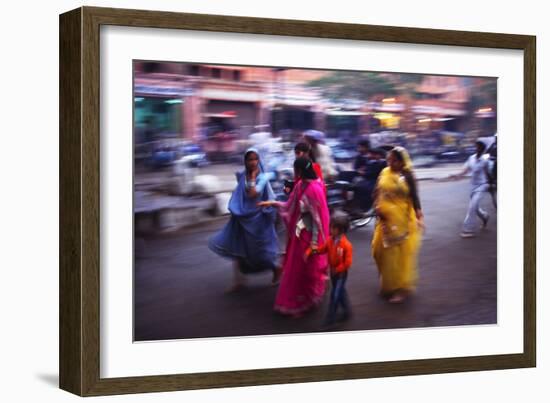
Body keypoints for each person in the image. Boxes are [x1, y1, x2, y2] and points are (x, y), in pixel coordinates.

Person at [258, 157, 330, 317]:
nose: (294, 172)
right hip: (300, 234)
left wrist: (314, 243)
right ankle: (298, 301)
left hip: (310, 236)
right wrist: (273, 203)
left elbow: (318, 220)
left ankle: (305, 302)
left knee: (305, 269)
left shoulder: (313, 189)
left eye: (295, 169)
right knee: (295, 269)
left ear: (300, 170)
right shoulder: (300, 185)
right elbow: (289, 205)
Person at [208, 148, 281, 291]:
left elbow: (253, 193)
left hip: (258, 220)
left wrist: (253, 176)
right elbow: (241, 195)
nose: (253, 162)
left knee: (260, 251)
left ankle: (276, 269)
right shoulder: (243, 176)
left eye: (255, 159)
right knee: (237, 247)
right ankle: (239, 281)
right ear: (245, 161)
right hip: (242, 217)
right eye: (250, 159)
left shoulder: (262, 177)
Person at [372, 146, 423, 303]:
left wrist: (420, 216)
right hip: (384, 220)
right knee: (378, 251)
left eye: (394, 160)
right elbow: (377, 191)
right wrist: (376, 205)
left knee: (396, 256)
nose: (390, 163)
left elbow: (414, 197)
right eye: (389, 159)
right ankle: (388, 282)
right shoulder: (384, 172)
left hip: (401, 219)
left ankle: (400, 288)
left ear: (402, 162)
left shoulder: (408, 176)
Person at [306, 215, 353, 328]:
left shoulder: (346, 245)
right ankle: (347, 312)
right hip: (333, 274)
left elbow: (347, 262)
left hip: (341, 274)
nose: (330, 229)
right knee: (340, 293)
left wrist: (338, 269)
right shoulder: (330, 240)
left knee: (335, 296)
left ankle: (330, 319)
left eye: (332, 228)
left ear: (340, 230)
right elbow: (323, 249)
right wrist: (314, 250)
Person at [448, 140, 492, 238]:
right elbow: (465, 170)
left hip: (482, 185)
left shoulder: (484, 160)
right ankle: (485, 216)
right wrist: (456, 176)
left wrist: (490, 184)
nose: (476, 149)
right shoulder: (471, 158)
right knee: (475, 207)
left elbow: (487, 173)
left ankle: (467, 230)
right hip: (473, 185)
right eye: (476, 147)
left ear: (483, 149)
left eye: (479, 147)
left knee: (472, 207)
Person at [352, 140, 387, 212]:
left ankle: (364, 206)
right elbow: (365, 170)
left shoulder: (382, 163)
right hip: (369, 179)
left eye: (373, 154)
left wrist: (363, 173)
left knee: (363, 187)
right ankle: (357, 204)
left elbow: (372, 173)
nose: (370, 155)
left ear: (379, 155)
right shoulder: (371, 161)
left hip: (375, 180)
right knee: (356, 185)